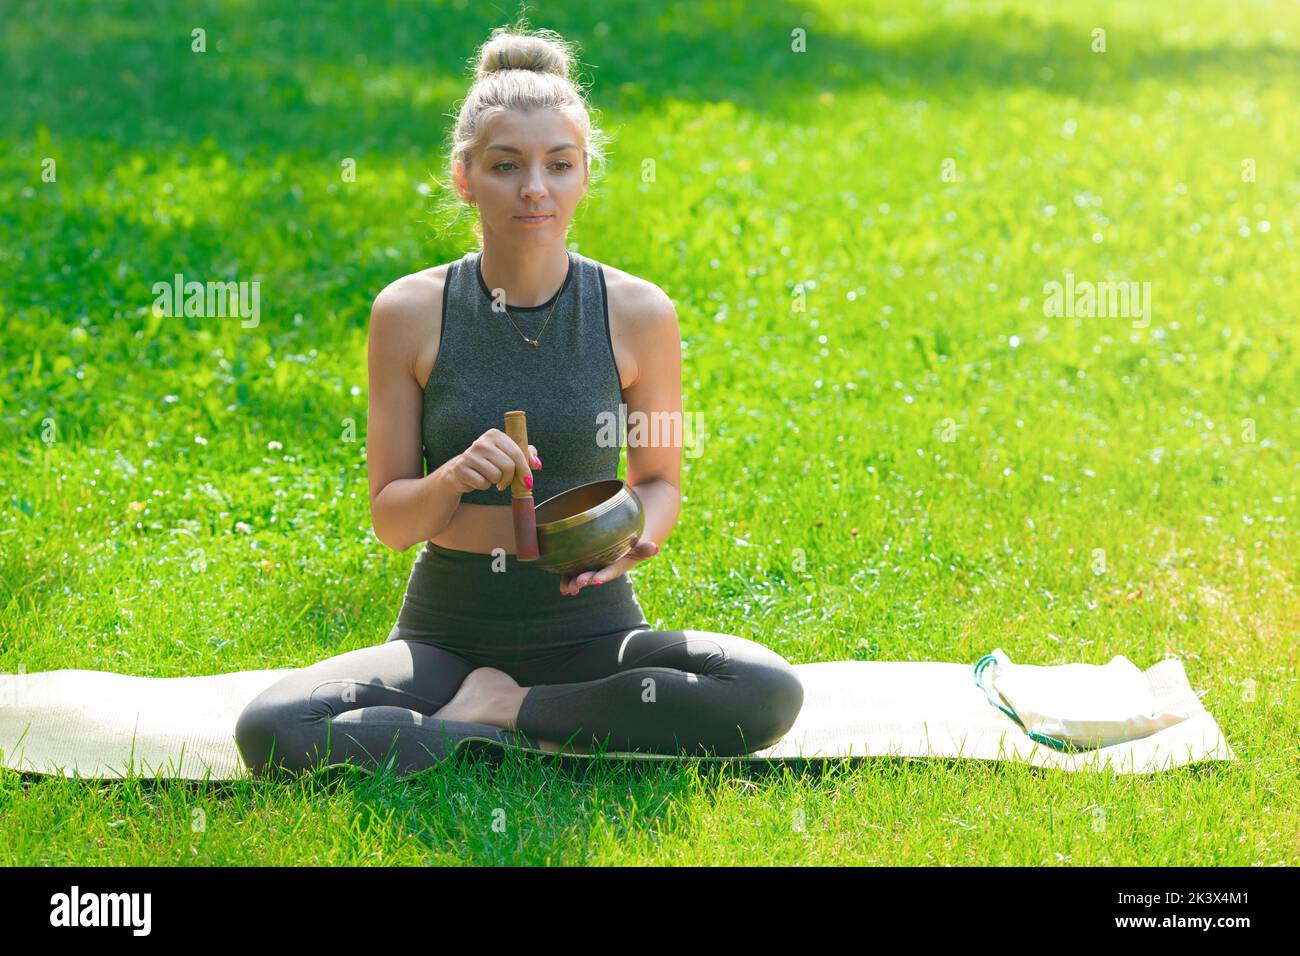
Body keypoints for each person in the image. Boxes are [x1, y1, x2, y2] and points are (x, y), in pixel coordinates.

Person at [234, 24, 804, 777]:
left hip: (593, 631)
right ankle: (516, 720)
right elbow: (391, 519)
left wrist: (641, 538)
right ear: (465, 178)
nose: (535, 188)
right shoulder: (408, 312)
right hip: (446, 637)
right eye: (506, 166)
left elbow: (660, 481)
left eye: (558, 165)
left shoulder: (640, 313)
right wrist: (455, 477)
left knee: (766, 691)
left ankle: (503, 713)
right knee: (273, 728)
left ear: (584, 176)